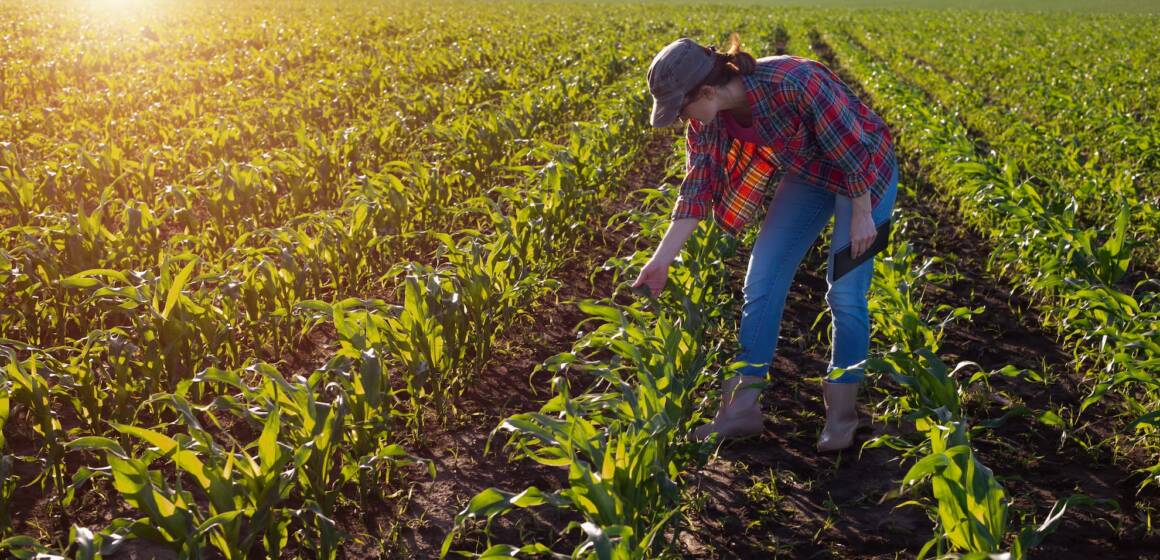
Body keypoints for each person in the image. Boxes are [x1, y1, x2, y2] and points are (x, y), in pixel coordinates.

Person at [630, 34, 899, 453]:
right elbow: (697, 190)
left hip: (865, 173)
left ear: (706, 90)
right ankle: (741, 409)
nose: (684, 119)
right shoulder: (708, 121)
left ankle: (843, 415)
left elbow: (852, 149)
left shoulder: (794, 81)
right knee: (762, 279)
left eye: (682, 109)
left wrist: (863, 215)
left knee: (845, 292)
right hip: (809, 174)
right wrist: (660, 260)